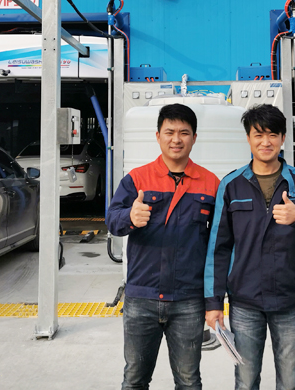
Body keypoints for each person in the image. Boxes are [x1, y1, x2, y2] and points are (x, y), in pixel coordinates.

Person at [204, 104, 295, 390]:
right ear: (248, 138)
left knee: (290, 381)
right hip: (245, 301)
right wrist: (213, 303)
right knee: (246, 380)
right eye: (258, 135)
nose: (266, 142)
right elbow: (218, 247)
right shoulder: (231, 185)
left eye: (273, 135)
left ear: (283, 138)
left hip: (289, 298)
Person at [106, 103, 220, 390]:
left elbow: (219, 245)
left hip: (188, 300)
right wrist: (130, 217)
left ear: (194, 138)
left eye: (184, 132)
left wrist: (214, 299)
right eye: (169, 132)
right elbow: (112, 221)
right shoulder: (137, 179)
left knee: (189, 381)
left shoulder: (211, 183)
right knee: (134, 379)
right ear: (158, 136)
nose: (176, 139)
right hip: (141, 298)